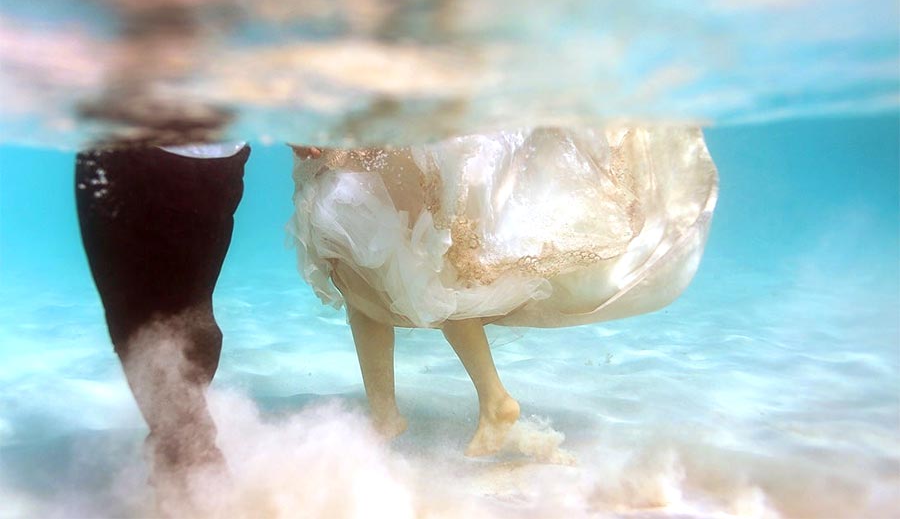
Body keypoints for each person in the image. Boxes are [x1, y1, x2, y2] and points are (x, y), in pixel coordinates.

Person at [287, 125, 718, 456]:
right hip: (380, 129)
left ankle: (458, 405)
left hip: (370, 134)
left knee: (379, 262)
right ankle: (407, 412)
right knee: (402, 266)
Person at [76, 141, 250, 505]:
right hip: (216, 159)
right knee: (184, 316)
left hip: (133, 149)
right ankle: (187, 464)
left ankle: (193, 476)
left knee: (142, 324)